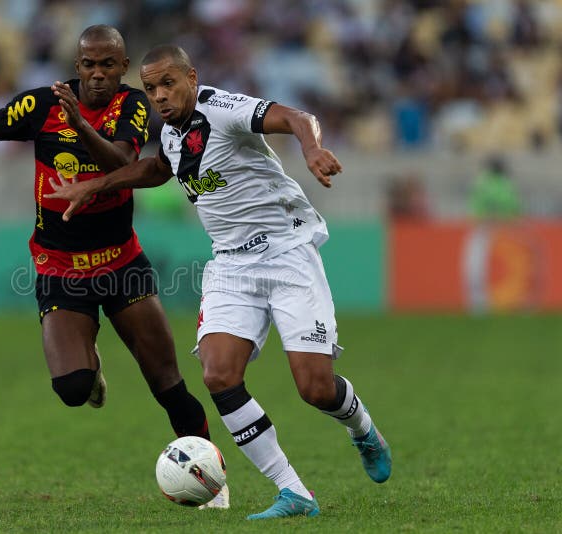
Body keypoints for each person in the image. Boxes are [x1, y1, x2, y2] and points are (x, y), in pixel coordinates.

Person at [46, 45, 392, 520]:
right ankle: (294, 492)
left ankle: (362, 429)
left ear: (192, 77)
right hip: (230, 265)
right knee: (218, 375)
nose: (160, 96)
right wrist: (96, 185)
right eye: (150, 89)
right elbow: (158, 169)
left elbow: (295, 115)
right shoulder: (169, 131)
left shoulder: (222, 109)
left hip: (287, 253)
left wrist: (310, 148)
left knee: (314, 388)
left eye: (168, 83)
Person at [0, 29, 224, 504]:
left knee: (168, 386)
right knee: (73, 389)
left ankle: (214, 484)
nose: (98, 74)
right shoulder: (39, 105)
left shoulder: (134, 105)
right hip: (59, 267)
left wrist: (80, 127)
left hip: (121, 263)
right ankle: (91, 369)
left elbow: (121, 159)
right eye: (89, 65)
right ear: (77, 66)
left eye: (108, 65)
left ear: (122, 67)